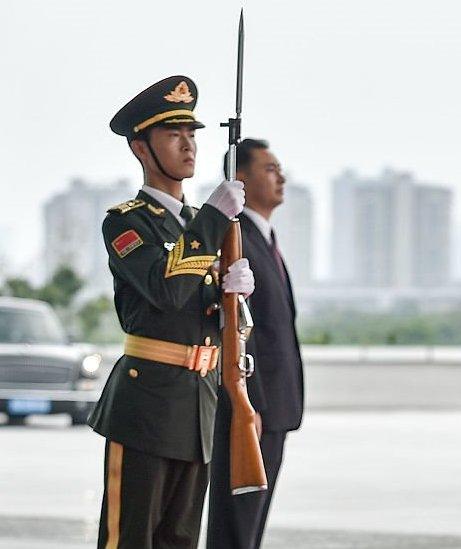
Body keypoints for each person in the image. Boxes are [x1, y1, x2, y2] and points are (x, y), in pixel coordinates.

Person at [89, 75, 254, 548]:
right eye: (173, 135)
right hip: (146, 407)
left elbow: (215, 319)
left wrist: (237, 298)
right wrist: (212, 221)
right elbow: (166, 290)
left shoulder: (197, 222)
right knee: (130, 539)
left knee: (179, 540)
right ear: (141, 149)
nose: (189, 146)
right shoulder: (127, 222)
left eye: (192, 134)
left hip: (197, 406)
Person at [207, 138, 305, 549]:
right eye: (269, 168)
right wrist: (254, 405)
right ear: (240, 178)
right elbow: (241, 332)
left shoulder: (263, 239)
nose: (279, 176)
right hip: (253, 407)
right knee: (237, 525)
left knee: (252, 525)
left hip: (274, 407)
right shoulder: (236, 236)